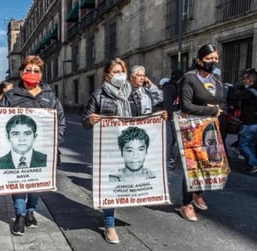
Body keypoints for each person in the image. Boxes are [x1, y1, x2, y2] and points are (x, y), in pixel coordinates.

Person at [81, 58, 167, 244]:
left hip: (131, 145)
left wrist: (158, 117)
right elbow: (85, 120)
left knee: (128, 182)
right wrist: (91, 120)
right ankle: (109, 225)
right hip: (110, 148)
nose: (119, 75)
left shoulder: (133, 94)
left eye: (122, 71)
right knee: (110, 187)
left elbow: (142, 118)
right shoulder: (99, 95)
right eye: (115, 72)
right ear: (106, 75)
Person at [0, 55, 65, 236]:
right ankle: (19, 215)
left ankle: (30, 211)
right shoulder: (11, 96)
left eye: (36, 71)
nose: (32, 73)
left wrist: (55, 141)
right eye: (28, 70)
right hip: (16, 149)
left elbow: (61, 121)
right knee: (19, 182)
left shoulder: (50, 96)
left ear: (41, 74)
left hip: (43, 149)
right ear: (21, 72)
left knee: (36, 182)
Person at [178, 44, 226, 222]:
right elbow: (186, 105)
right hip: (192, 128)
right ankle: (186, 203)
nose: (213, 62)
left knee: (208, 163)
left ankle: (198, 193)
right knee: (192, 165)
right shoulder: (189, 79)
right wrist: (211, 111)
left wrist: (216, 110)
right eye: (208, 59)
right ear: (199, 60)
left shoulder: (217, 80)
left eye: (215, 58)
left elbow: (221, 103)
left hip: (212, 128)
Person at [227, 68, 257, 174]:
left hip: (249, 123)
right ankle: (251, 165)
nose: (243, 81)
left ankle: (253, 163)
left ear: (250, 81)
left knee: (242, 145)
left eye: (244, 79)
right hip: (255, 123)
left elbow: (235, 96)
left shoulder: (249, 92)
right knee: (251, 144)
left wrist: (231, 88)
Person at [163, 69, 184, 169]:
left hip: (176, 116)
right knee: (170, 140)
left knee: (175, 140)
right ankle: (168, 160)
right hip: (171, 117)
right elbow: (168, 104)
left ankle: (172, 158)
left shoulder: (176, 86)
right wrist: (172, 115)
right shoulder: (169, 87)